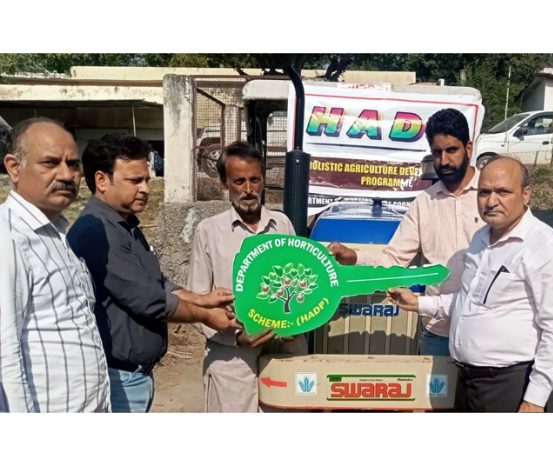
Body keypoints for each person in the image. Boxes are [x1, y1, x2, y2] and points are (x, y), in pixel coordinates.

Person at [67, 134, 241, 413]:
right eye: (135, 181)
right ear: (101, 181)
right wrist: (207, 316)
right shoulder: (97, 232)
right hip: (118, 379)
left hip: (137, 376)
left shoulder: (127, 226)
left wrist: (202, 298)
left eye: (146, 179)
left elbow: (159, 283)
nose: (145, 188)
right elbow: (148, 299)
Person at [390, 156, 553, 412]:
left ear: (526, 194)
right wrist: (419, 303)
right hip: (465, 380)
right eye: (484, 192)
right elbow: (468, 301)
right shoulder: (480, 238)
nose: (490, 201)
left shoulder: (545, 246)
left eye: (503, 192)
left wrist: (534, 399)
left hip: (508, 384)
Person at [328, 108, 482, 356]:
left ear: (468, 148)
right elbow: (394, 260)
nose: (444, 161)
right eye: (437, 152)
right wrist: (354, 257)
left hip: (484, 330)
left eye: (451, 150)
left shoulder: (491, 196)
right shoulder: (424, 203)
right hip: (438, 333)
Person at [187, 141, 306, 412]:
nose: (249, 190)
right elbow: (197, 303)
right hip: (232, 360)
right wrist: (237, 336)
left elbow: (302, 283)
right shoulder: (209, 231)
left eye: (255, 180)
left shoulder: (283, 224)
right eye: (239, 181)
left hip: (283, 354)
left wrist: (294, 323)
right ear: (224, 182)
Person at [0, 117, 110, 412]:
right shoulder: (8, 237)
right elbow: (5, 352)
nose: (66, 174)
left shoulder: (59, 234)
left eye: (73, 164)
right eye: (50, 163)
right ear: (14, 168)